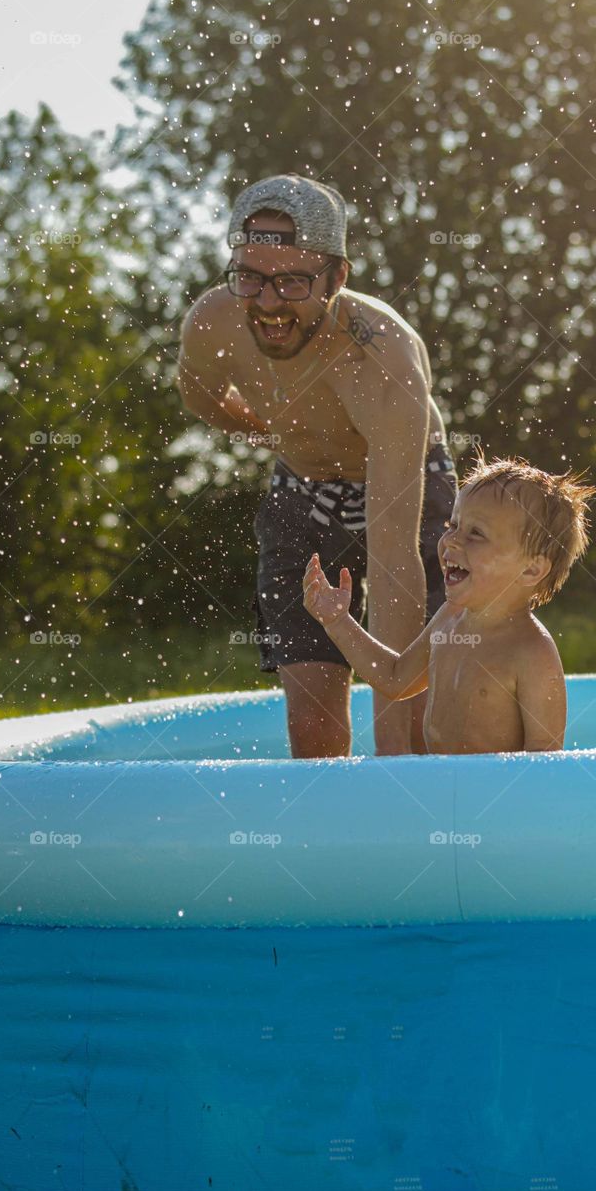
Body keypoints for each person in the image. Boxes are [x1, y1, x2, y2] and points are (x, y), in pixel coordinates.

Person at [177, 173, 457, 757]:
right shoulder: (214, 321)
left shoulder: (382, 356)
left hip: (410, 499)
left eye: (293, 282)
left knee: (420, 728)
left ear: (338, 278)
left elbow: (394, 560)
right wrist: (268, 429)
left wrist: (394, 759)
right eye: (250, 278)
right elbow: (201, 398)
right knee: (312, 731)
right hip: (301, 493)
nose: (270, 303)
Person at [303, 456, 596, 754]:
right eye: (453, 524)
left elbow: (545, 758)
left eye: (476, 533)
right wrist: (338, 622)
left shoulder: (532, 652)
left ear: (531, 570)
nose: (452, 541)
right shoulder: (449, 618)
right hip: (441, 788)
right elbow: (395, 679)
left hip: (494, 796)